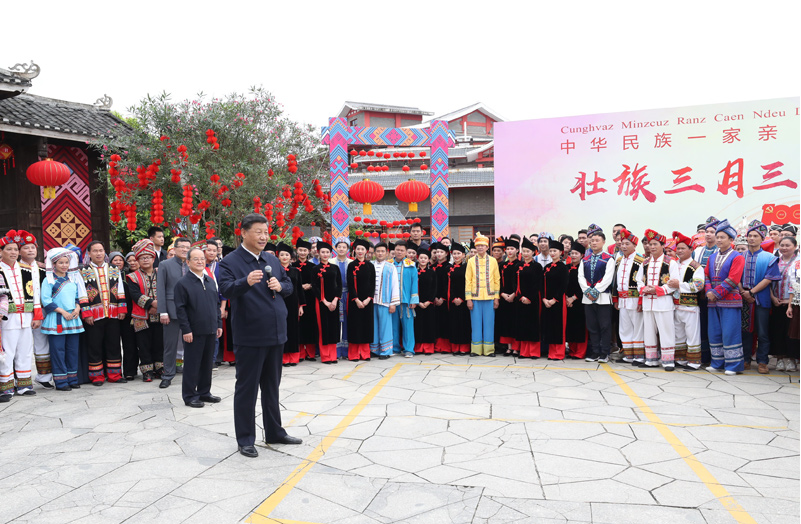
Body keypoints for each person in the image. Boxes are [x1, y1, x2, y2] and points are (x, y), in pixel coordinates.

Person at [218, 213, 299, 458]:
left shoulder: (271, 259)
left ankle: (275, 432)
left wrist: (281, 286)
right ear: (243, 233)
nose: (264, 237)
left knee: (272, 387)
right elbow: (225, 290)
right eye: (258, 232)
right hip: (250, 336)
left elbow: (288, 285)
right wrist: (245, 281)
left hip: (276, 333)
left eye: (266, 232)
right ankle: (245, 439)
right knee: (247, 389)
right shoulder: (230, 262)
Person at [174, 246, 222, 408]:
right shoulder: (183, 283)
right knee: (192, 365)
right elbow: (180, 309)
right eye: (196, 259)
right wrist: (186, 329)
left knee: (207, 364)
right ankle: (189, 395)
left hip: (211, 329)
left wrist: (218, 324)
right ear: (188, 262)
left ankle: (204, 392)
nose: (200, 261)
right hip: (193, 332)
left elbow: (216, 305)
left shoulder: (210, 281)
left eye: (202, 258)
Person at [0, 230, 43, 400]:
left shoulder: (26, 269)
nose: (13, 252)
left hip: (26, 316)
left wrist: (37, 315)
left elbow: (35, 293)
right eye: (9, 249)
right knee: (7, 353)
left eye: (15, 249)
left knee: (25, 351)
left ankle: (24, 385)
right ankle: (6, 387)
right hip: (7, 318)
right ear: (1, 251)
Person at [80, 240, 127, 385]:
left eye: (101, 250)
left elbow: (120, 289)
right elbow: (82, 293)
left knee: (114, 344)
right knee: (94, 345)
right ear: (89, 253)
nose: (98, 253)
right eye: (95, 251)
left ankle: (115, 375)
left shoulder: (113, 268)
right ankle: (97, 376)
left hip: (113, 313)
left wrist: (122, 308)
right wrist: (87, 313)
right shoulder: (83, 271)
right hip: (94, 315)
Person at [41, 248, 86, 391]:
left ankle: (72, 379)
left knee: (72, 350)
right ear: (54, 264)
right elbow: (46, 300)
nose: (64, 265)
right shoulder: (49, 280)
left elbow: (77, 297)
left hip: (72, 318)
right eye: (61, 263)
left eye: (66, 262)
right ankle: (61, 382)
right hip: (57, 319)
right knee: (58, 351)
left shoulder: (72, 279)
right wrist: (62, 312)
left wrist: (77, 308)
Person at [739, 220, 780, 373]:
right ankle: (745, 359)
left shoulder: (769, 257)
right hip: (743, 298)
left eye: (755, 236)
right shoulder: (740, 256)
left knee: (762, 332)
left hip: (761, 298)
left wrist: (751, 292)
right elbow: (735, 276)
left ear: (762, 238)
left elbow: (769, 278)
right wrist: (743, 292)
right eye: (749, 235)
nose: (752, 238)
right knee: (745, 331)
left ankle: (762, 361)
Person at [705, 219, 746, 375]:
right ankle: (717, 362)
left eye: (722, 237)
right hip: (712, 301)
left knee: (730, 332)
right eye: (718, 237)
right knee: (714, 332)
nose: (719, 240)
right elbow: (706, 276)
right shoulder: (712, 257)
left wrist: (715, 293)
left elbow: (733, 279)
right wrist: (708, 291)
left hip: (730, 301)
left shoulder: (737, 257)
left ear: (731, 239)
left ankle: (733, 365)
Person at [638, 230, 680, 370]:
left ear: (662, 245)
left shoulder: (671, 262)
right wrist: (644, 288)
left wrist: (657, 290)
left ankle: (668, 361)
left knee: (666, 331)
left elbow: (674, 283)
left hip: (663, 303)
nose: (652, 247)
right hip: (647, 303)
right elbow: (638, 280)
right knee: (648, 331)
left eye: (655, 244)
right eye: (650, 244)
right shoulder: (644, 263)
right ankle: (651, 359)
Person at [17, 232, 52, 389]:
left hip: (42, 311)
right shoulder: (15, 269)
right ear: (19, 251)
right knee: (21, 344)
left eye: (33, 247)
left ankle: (44, 376)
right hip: (23, 311)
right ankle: (18, 378)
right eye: (26, 247)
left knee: (42, 342)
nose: (30, 250)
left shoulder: (43, 269)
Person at [578, 224, 616, 363]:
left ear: (603, 242)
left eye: (597, 240)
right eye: (592, 240)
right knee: (592, 326)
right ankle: (595, 352)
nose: (594, 243)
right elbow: (581, 277)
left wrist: (596, 290)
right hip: (587, 298)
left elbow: (608, 278)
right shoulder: (585, 260)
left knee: (605, 326)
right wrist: (587, 290)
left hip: (603, 298)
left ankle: (605, 352)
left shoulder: (609, 258)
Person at [127, 239, 164, 382]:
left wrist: (160, 306)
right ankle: (147, 371)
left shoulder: (161, 273)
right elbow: (135, 295)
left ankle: (160, 368)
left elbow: (167, 290)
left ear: (153, 259)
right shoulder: (132, 276)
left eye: (148, 257)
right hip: (141, 316)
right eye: (142, 258)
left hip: (160, 314)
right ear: (137, 260)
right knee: (143, 344)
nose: (145, 260)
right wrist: (152, 304)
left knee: (159, 342)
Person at [156, 237, 190, 388]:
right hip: (171, 310)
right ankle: (168, 375)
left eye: (187, 247)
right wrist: (163, 311)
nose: (185, 250)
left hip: (190, 311)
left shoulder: (193, 264)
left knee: (191, 344)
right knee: (170, 345)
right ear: (175, 249)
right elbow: (161, 289)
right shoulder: (165, 265)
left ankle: (191, 373)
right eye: (182, 247)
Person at [672, 231, 705, 370]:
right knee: (678, 333)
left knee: (692, 334)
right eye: (678, 248)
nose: (679, 251)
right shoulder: (674, 264)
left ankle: (694, 361)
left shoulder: (696, 266)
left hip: (690, 305)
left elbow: (699, 285)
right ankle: (680, 359)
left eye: (683, 248)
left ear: (691, 249)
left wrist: (679, 285)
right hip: (675, 305)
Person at [612, 229, 644, 365]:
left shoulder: (641, 260)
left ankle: (639, 356)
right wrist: (615, 298)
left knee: (638, 327)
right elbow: (615, 281)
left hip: (635, 299)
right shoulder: (619, 260)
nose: (623, 246)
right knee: (625, 328)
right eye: (622, 243)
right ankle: (628, 355)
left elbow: (643, 282)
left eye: (627, 244)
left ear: (634, 245)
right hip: (622, 300)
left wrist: (641, 300)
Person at [465, 233, 500, 357]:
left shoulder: (493, 261)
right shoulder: (470, 261)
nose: (480, 247)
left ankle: (489, 350)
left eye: (482, 245)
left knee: (489, 324)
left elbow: (497, 279)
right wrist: (468, 299)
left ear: (487, 247)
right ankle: (476, 350)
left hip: (490, 297)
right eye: (478, 245)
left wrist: (496, 298)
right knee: (475, 324)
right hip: (475, 297)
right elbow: (468, 280)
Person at [693, 216, 720, 366]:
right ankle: (703, 356)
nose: (708, 234)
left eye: (712, 232)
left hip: (715, 294)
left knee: (714, 326)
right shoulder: (697, 251)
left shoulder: (721, 251)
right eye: (707, 232)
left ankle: (715, 357)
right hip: (699, 294)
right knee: (701, 325)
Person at [772, 237, 799, 372]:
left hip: (793, 303)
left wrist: (790, 301)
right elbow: (768, 280)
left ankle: (791, 359)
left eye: (787, 245)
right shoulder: (775, 261)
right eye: (782, 245)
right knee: (777, 331)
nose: (784, 248)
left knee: (791, 332)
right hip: (776, 301)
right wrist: (772, 297)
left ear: (795, 246)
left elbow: (797, 283)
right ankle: (780, 358)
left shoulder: (798, 262)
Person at [312, 241, 342, 364]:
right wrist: (324, 301)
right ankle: (325, 356)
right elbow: (314, 286)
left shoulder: (335, 268)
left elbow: (339, 285)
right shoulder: (315, 269)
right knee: (323, 327)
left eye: (327, 252)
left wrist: (335, 300)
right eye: (322, 252)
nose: (325, 254)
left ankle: (333, 355)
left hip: (334, 301)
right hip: (321, 302)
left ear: (330, 253)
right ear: (318, 253)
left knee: (333, 327)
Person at [346, 239, 375, 361]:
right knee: (355, 326)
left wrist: (368, 299)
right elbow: (350, 284)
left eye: (362, 249)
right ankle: (354, 354)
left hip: (367, 301)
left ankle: (365, 353)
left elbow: (373, 284)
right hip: (355, 301)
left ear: (366, 251)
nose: (360, 251)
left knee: (366, 326)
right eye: (358, 249)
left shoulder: (370, 266)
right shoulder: (351, 265)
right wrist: (356, 300)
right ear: (354, 250)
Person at [541, 240, 569, 360]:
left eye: (555, 251)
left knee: (559, 326)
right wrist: (544, 298)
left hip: (558, 301)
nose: (552, 253)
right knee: (550, 326)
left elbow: (564, 285)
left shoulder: (563, 268)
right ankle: (551, 352)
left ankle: (559, 353)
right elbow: (542, 284)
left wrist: (554, 299)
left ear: (560, 252)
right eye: (551, 251)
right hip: (547, 301)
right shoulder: (547, 267)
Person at [277, 243, 305, 367]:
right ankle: (283, 358)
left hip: (293, 303)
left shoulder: (295, 271)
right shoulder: (275, 270)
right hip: (279, 302)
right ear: (278, 256)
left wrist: (301, 305)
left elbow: (299, 289)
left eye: (287, 255)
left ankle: (293, 357)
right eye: (282, 255)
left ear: (291, 257)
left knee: (293, 329)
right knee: (281, 329)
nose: (284, 257)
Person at [370, 243, 399, 359]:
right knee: (373, 326)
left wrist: (393, 303)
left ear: (386, 253)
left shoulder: (391, 267)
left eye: (382, 251)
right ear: (374, 253)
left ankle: (386, 351)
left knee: (385, 327)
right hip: (372, 302)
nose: (380, 253)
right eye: (378, 251)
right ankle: (374, 350)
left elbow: (395, 285)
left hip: (385, 302)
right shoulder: (370, 265)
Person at [515, 237, 542, 359]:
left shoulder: (537, 266)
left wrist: (529, 297)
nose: (525, 253)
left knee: (533, 325)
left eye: (528, 251)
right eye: (524, 251)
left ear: (533, 252)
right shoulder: (518, 265)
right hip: (520, 299)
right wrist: (520, 297)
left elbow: (538, 284)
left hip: (532, 300)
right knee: (522, 325)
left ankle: (534, 352)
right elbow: (515, 283)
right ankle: (524, 351)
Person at [392, 242, 419, 357]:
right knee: (393, 325)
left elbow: (414, 283)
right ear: (394, 250)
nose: (399, 252)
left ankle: (409, 349)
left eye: (402, 250)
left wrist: (414, 300)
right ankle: (394, 347)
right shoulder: (389, 264)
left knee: (408, 326)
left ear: (406, 252)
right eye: (397, 250)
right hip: (392, 301)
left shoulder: (411, 265)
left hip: (406, 300)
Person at [293, 239, 319, 361]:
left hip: (310, 298)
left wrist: (311, 285)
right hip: (297, 298)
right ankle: (300, 353)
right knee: (298, 325)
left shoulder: (313, 267)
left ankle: (310, 353)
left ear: (308, 252)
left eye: (305, 250)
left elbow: (318, 282)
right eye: (300, 250)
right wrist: (300, 287)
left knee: (310, 324)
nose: (303, 252)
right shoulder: (293, 266)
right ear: (297, 251)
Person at [498, 238, 521, 356]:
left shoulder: (520, 265)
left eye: (512, 249)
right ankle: (509, 347)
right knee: (506, 321)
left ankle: (516, 348)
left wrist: (514, 294)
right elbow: (498, 281)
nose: (510, 251)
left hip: (516, 297)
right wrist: (502, 293)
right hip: (504, 297)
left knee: (515, 322)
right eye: (507, 249)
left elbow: (521, 282)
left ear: (517, 250)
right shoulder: (503, 265)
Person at [448, 242, 471, 353]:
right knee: (454, 324)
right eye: (454, 253)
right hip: (453, 300)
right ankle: (455, 347)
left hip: (464, 300)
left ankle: (464, 348)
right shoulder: (449, 268)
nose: (456, 256)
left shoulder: (467, 267)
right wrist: (453, 298)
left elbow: (468, 284)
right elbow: (448, 285)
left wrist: (461, 298)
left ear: (463, 255)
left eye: (458, 253)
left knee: (464, 324)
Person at [566, 243, 587, 359]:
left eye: (576, 253)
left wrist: (573, 298)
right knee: (570, 326)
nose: (573, 255)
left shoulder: (584, 268)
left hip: (580, 301)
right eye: (572, 253)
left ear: (582, 255)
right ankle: (572, 350)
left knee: (580, 326)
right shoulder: (566, 268)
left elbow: (584, 286)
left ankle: (580, 352)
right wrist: (566, 298)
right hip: (567, 302)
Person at [414, 248, 437, 354]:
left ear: (428, 260)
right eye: (421, 258)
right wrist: (417, 302)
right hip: (417, 303)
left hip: (429, 303)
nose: (423, 260)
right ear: (418, 259)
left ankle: (428, 348)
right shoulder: (414, 271)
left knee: (429, 325)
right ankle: (418, 347)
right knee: (418, 325)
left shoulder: (432, 272)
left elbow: (434, 288)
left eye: (425, 258)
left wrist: (429, 301)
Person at [432, 243, 452, 353]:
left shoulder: (449, 267)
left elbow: (448, 285)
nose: (439, 254)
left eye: (441, 252)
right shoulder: (432, 267)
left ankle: (445, 346)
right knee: (435, 322)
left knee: (445, 322)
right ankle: (436, 345)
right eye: (437, 252)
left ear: (446, 253)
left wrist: (443, 298)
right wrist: (434, 297)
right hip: (433, 299)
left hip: (444, 300)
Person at [333, 238, 352, 360]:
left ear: (347, 249)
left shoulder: (351, 263)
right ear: (335, 248)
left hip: (348, 294)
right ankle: (335, 351)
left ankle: (346, 350)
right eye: (339, 246)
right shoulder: (331, 262)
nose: (341, 249)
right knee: (335, 321)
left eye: (344, 247)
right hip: (335, 295)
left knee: (347, 321)